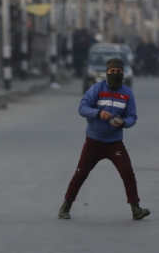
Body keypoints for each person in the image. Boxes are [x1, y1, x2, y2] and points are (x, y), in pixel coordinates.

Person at [58, 58, 150, 221]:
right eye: (112, 71)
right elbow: (83, 108)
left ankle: (136, 208)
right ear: (107, 73)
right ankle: (66, 206)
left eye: (118, 72)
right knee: (80, 174)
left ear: (122, 73)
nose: (115, 74)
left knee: (128, 173)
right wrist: (98, 113)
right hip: (94, 141)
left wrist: (124, 123)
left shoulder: (127, 93)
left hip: (115, 144)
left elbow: (132, 117)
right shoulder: (96, 89)